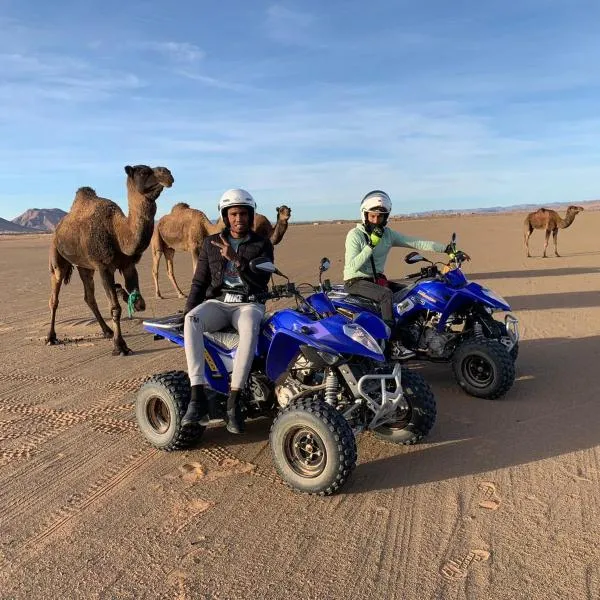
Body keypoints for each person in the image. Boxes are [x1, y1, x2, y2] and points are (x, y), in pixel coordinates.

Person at [181, 188, 274, 433]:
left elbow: (261, 281)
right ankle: (197, 396)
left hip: (248, 302)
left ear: (250, 215)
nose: (239, 219)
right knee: (192, 320)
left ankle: (234, 401)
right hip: (220, 302)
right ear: (225, 215)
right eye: (233, 214)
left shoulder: (262, 244)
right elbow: (200, 281)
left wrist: (236, 259)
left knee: (249, 328)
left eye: (243, 214)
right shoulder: (210, 244)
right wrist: (188, 309)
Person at [343, 190, 469, 359]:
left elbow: (415, 242)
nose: (376, 221)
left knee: (413, 294)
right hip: (355, 281)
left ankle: (414, 337)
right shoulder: (355, 235)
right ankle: (393, 344)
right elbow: (352, 267)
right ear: (364, 215)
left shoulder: (387, 234)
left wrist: (446, 249)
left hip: (376, 280)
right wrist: (370, 245)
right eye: (372, 216)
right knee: (386, 295)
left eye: (380, 217)